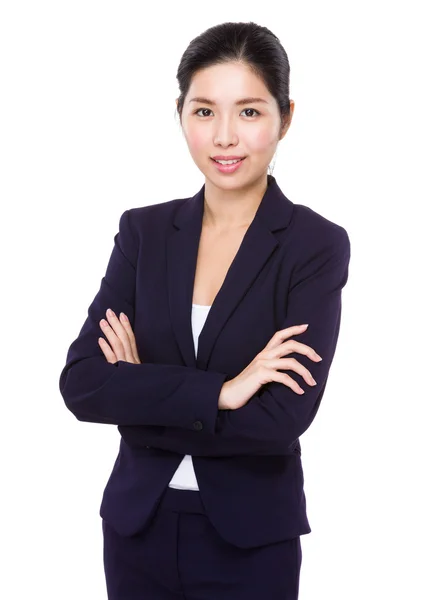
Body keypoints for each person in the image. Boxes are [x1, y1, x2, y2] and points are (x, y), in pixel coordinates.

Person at [59, 21, 351, 600]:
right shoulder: (143, 233)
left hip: (249, 542)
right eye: (203, 111)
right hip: (136, 530)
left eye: (248, 112)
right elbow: (83, 384)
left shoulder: (313, 245)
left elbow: (279, 423)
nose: (224, 137)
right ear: (181, 114)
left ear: (284, 117)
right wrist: (221, 392)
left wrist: (142, 387)